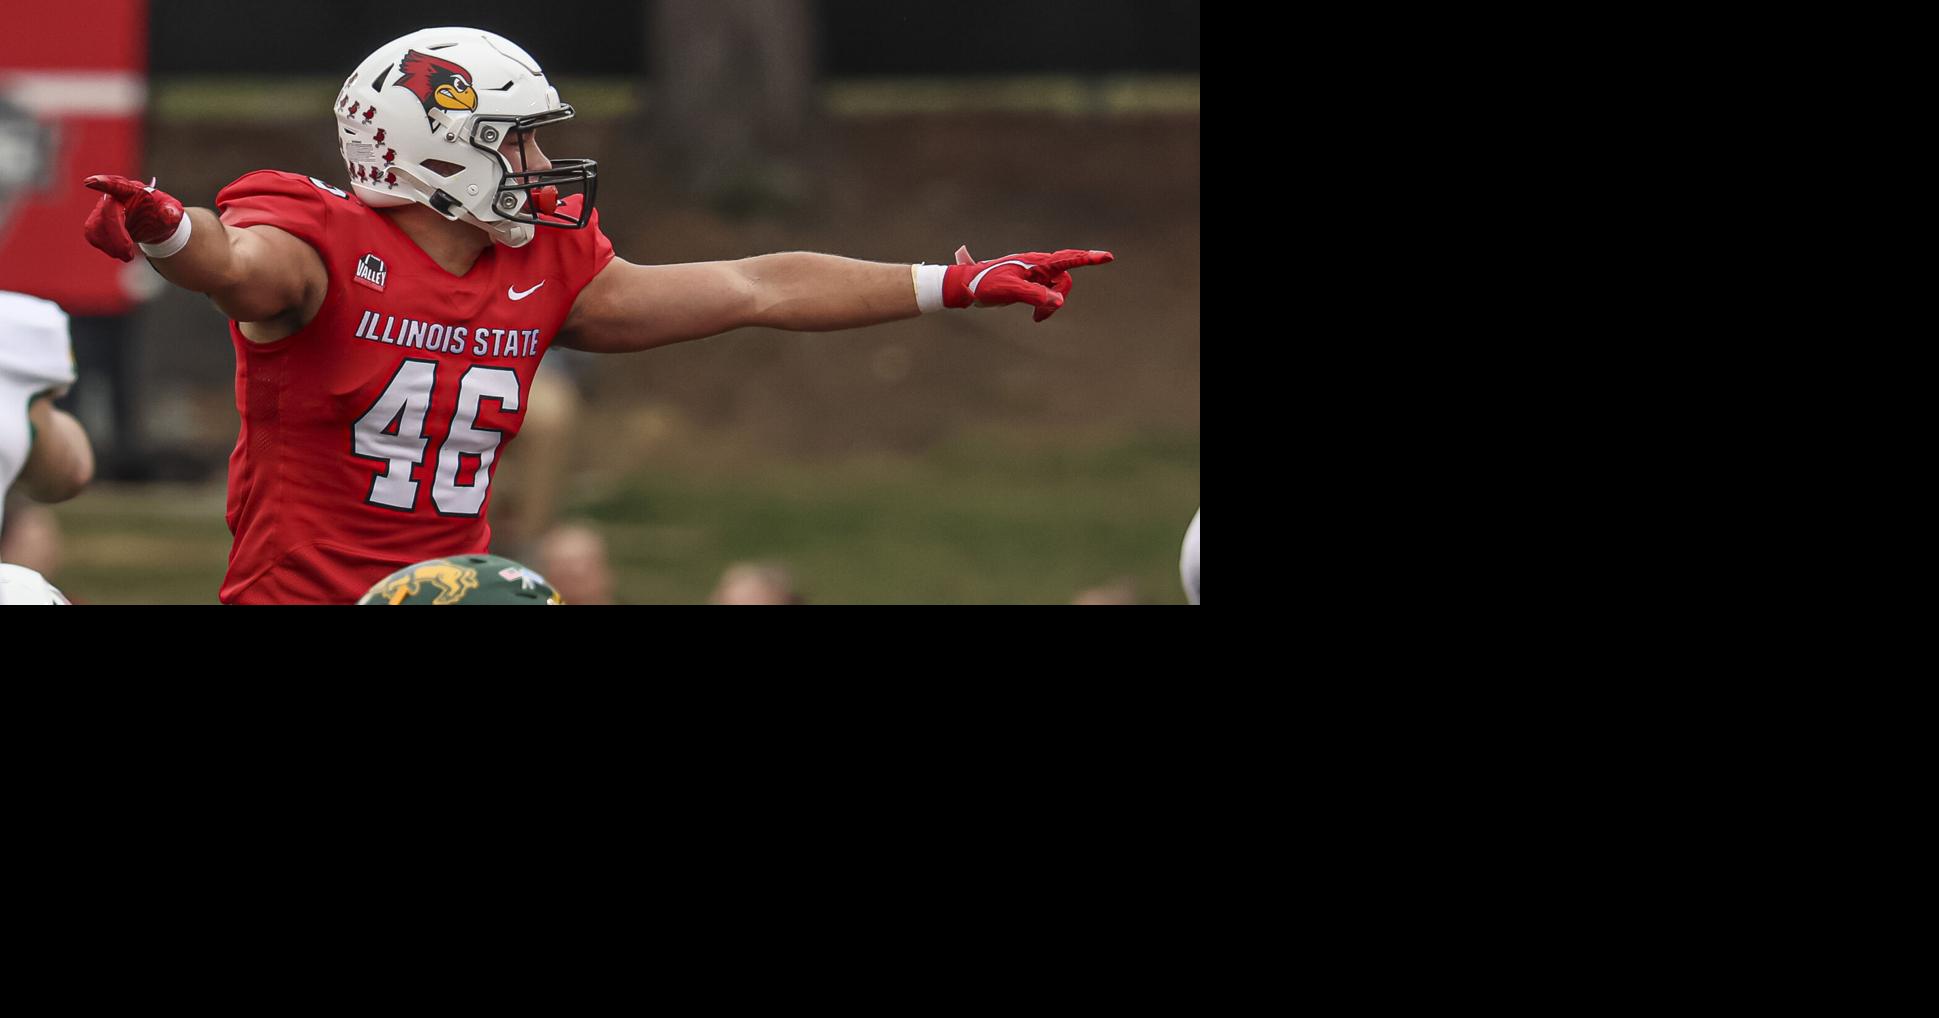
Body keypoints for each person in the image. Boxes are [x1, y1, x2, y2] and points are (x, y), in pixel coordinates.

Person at [80, 26, 1113, 605]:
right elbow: (239, 264)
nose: (536, 166)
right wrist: (171, 231)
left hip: (455, 594)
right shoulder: (320, 248)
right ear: (431, 149)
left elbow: (756, 286)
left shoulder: (544, 269)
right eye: (513, 143)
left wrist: (947, 281)